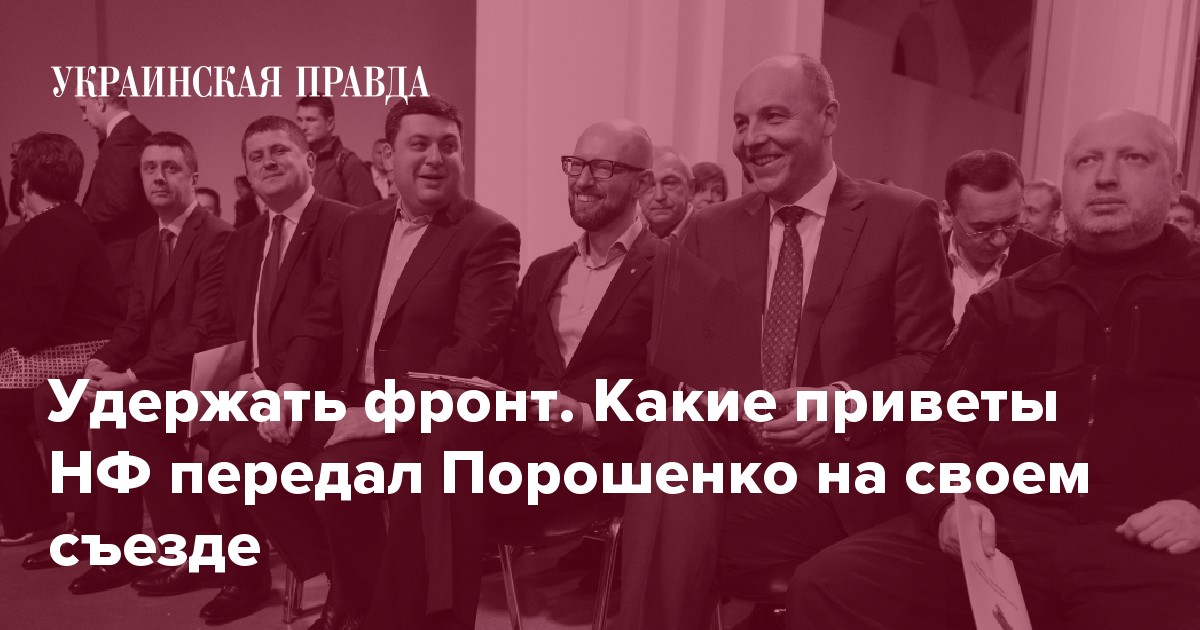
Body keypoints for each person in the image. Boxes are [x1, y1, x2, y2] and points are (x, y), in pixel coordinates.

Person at [788, 109, 1200, 630]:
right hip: (1004, 529)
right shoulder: (1010, 300)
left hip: (1145, 536)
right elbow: (938, 417)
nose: (1105, 177)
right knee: (831, 585)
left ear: (1175, 184)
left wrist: (1195, 509)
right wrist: (950, 503)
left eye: (1134, 158)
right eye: (1086, 161)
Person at [618, 53, 955, 630]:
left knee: (665, 526)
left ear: (829, 118)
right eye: (741, 123)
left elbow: (932, 364)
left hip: (840, 469)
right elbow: (673, 367)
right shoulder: (709, 229)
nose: (752, 139)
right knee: (674, 437)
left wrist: (840, 403)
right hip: (730, 454)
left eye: (774, 117)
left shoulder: (901, 219)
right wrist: (718, 397)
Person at [368, 119, 658, 628]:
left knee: (435, 469)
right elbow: (513, 368)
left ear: (643, 183)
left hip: (601, 453)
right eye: (576, 165)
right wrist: (479, 390)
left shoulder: (669, 268)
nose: (583, 179)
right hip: (527, 439)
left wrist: (587, 416)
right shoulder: (547, 269)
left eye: (603, 168)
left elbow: (676, 390)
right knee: (436, 446)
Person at [267, 95, 520, 629]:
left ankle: (367, 608)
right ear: (387, 155)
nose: (435, 159)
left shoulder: (488, 233)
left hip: (425, 418)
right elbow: (322, 318)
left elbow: (473, 351)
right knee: (242, 450)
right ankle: (352, 589)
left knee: (338, 474)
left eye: (448, 146)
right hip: (348, 401)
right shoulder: (361, 225)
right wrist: (289, 387)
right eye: (419, 144)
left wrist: (383, 414)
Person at [27, 132, 233, 596]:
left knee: (121, 405)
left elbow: (202, 332)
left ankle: (164, 548)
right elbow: (134, 323)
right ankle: (91, 530)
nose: (158, 177)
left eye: (170, 168)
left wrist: (130, 376)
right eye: (149, 168)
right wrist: (100, 363)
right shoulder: (145, 241)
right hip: (152, 371)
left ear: (193, 176)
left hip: (198, 374)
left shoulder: (218, 236)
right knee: (55, 396)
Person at [200, 116, 354, 624]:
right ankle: (247, 576)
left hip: (321, 387)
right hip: (253, 385)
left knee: (235, 450)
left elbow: (332, 324)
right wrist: (211, 381)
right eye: (256, 156)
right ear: (246, 173)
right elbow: (227, 325)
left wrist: (267, 382)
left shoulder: (347, 224)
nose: (267, 162)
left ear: (309, 160)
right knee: (212, 428)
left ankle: (339, 573)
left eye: (279, 150)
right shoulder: (243, 240)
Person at [0, 134, 120, 547]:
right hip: (74, 350)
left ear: (25, 180)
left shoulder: (48, 228)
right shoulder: (67, 220)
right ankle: (35, 515)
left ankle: (32, 516)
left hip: (73, 357)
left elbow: (37, 315)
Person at [941, 150, 1060, 322]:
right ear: (948, 214)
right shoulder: (920, 259)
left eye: (1010, 223)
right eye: (982, 228)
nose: (999, 240)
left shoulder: (1053, 263)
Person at [76, 96, 156, 309]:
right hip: (132, 262)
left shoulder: (123, 138)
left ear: (99, 102)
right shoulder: (135, 133)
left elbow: (117, 202)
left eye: (84, 108)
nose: (84, 117)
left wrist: (78, 225)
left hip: (122, 265)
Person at [295, 96, 380, 207]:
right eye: (299, 120)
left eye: (311, 120)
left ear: (329, 123)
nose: (303, 127)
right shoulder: (296, 163)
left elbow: (368, 213)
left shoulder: (349, 163)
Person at [641, 146, 694, 238]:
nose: (659, 196)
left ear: (691, 188)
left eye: (670, 183)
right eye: (649, 185)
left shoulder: (715, 236)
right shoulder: (629, 242)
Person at [1021, 178, 1063, 242]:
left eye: (1032, 211)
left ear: (1054, 217)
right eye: (1020, 210)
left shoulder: (1062, 248)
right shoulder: (1007, 246)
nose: (1022, 220)